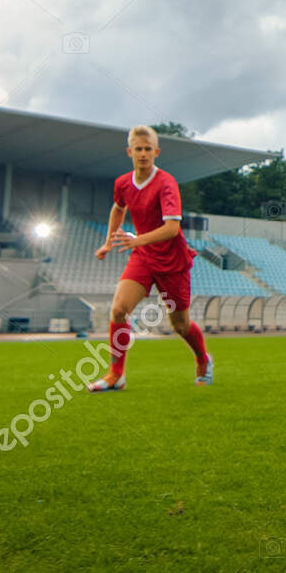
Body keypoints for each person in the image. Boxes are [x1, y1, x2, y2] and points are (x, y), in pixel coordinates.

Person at [86, 125, 213, 392]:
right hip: (143, 255)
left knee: (179, 325)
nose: (143, 154)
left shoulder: (166, 183)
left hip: (172, 260)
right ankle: (116, 375)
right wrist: (109, 242)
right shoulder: (122, 183)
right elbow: (118, 208)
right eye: (138, 149)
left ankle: (202, 358)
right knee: (119, 309)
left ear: (156, 152)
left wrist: (135, 240)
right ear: (129, 151)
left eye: (148, 149)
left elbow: (171, 228)